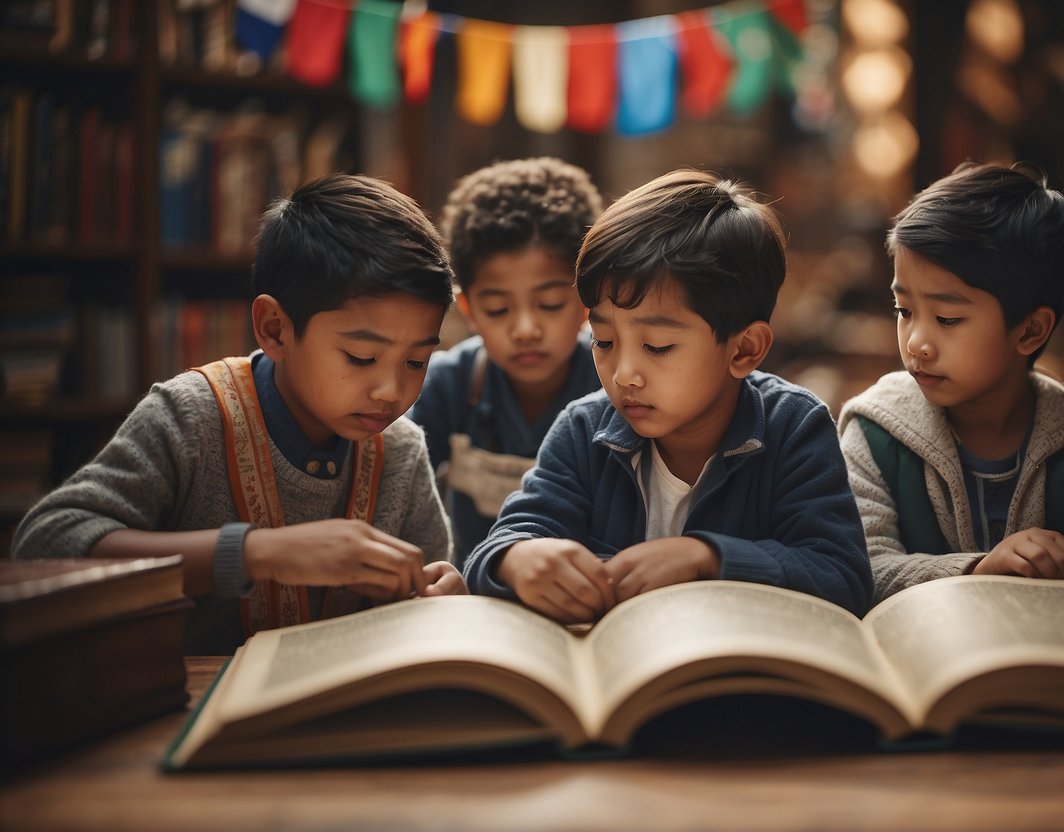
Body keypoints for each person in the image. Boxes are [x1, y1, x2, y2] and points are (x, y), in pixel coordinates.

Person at [12, 173, 467, 654]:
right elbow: (45, 544)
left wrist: (440, 594)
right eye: (360, 357)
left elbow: (428, 584)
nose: (392, 391)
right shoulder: (190, 418)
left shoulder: (400, 450)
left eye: (417, 361)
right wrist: (254, 553)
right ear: (274, 329)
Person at [463, 168, 873, 623]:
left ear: (744, 349)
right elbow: (502, 542)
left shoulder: (793, 428)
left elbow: (843, 577)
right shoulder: (583, 429)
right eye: (603, 341)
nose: (623, 375)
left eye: (658, 347)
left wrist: (707, 558)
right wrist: (517, 560)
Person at [836, 161, 1064, 623]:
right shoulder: (874, 432)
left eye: (947, 319)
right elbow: (855, 566)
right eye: (903, 309)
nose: (915, 342)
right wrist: (981, 571)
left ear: (1030, 331)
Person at [406, 157, 604, 566]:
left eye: (549, 304)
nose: (525, 329)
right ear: (469, 310)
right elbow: (397, 478)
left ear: (586, 300)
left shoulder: (615, 386)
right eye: (498, 309)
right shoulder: (449, 385)